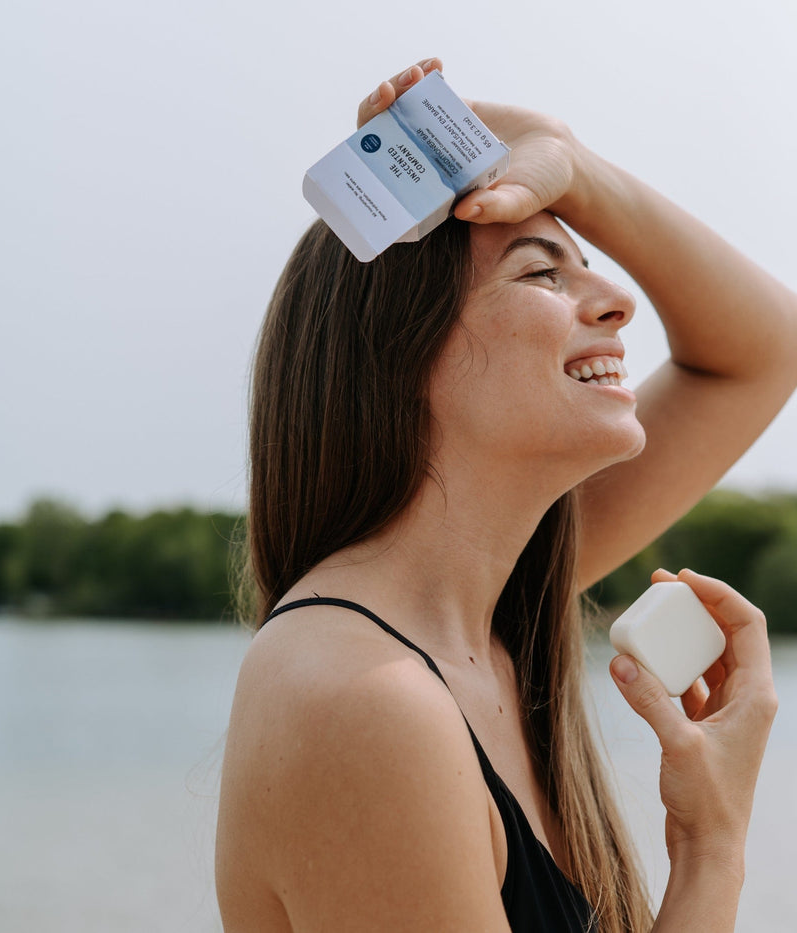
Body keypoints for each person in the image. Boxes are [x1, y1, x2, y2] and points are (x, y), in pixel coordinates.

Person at [215, 58, 795, 932]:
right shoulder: (368, 701)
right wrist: (712, 845)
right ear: (398, 359)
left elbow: (765, 348)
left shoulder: (488, 619)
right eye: (541, 274)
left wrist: (568, 160)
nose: (618, 300)